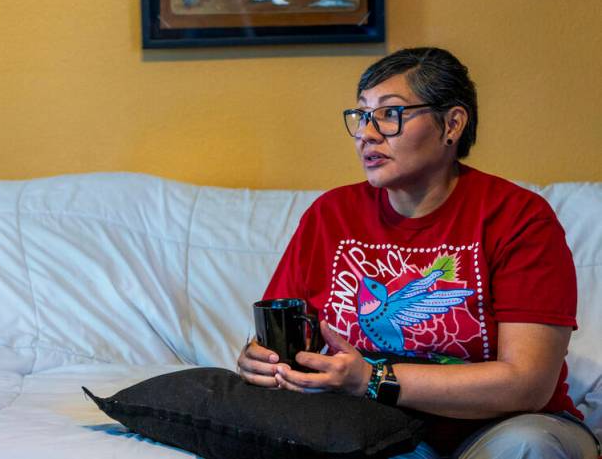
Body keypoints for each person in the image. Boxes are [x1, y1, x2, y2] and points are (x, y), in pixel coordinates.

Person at [238, 47, 600, 459]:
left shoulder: (518, 218)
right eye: (361, 116)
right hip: (371, 429)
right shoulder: (330, 215)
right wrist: (257, 362)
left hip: (502, 426)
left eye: (390, 114)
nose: (366, 134)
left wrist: (372, 379)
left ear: (452, 124)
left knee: (529, 447)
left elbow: (527, 383)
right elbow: (280, 336)